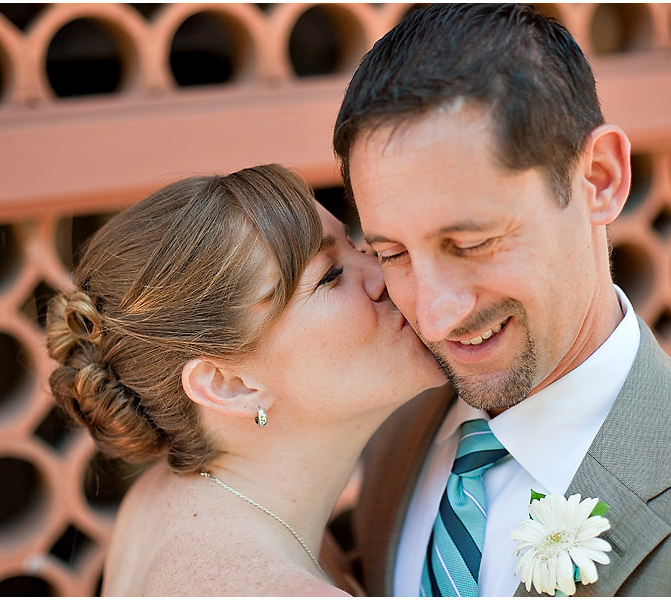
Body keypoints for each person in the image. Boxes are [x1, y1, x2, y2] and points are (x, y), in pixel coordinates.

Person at [332, 3, 671, 596]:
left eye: (471, 243)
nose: (433, 316)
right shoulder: (390, 429)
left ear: (599, 179)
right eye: (394, 255)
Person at [44, 164, 447, 595]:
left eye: (357, 245)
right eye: (330, 275)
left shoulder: (162, 499)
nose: (385, 274)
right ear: (227, 384)